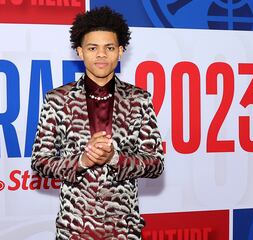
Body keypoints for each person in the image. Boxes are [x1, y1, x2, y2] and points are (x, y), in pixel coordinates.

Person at [31, 6, 164, 240]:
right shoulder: (57, 100)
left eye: (109, 47)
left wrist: (115, 158)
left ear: (120, 51)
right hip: (74, 228)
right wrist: (82, 160)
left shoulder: (139, 99)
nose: (101, 54)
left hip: (124, 229)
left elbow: (155, 164)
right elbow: (40, 162)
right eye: (93, 48)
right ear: (80, 52)